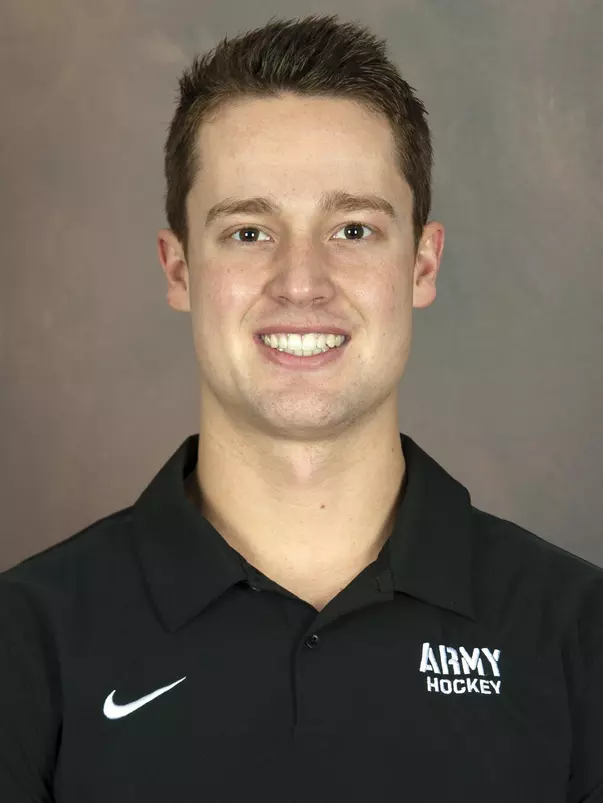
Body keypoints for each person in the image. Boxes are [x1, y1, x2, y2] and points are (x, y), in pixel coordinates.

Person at [1, 12, 601, 802]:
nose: (301, 282)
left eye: (352, 228)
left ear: (421, 263)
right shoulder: (24, 640)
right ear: (178, 269)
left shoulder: (577, 633)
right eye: (249, 232)